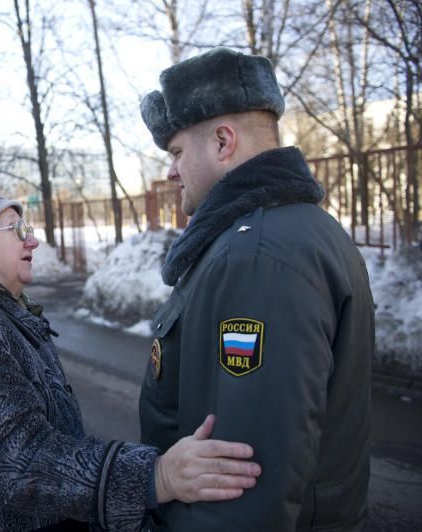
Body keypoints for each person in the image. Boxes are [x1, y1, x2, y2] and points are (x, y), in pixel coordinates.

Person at [0, 176, 262, 531]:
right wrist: (156, 476)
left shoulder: (2, 311)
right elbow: (18, 460)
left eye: (27, 229)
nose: (31, 241)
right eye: (16, 231)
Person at [138, 47, 374, 530]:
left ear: (223, 142)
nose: (170, 171)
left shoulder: (257, 256)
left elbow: (244, 480)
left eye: (178, 151)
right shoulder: (291, 231)